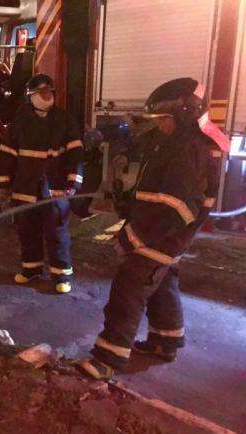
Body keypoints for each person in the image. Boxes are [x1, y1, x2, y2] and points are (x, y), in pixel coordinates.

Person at [78, 78, 227, 380]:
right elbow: (140, 145)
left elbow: (171, 207)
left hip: (164, 232)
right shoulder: (177, 140)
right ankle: (165, 340)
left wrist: (133, 237)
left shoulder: (188, 149)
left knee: (131, 283)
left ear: (182, 115)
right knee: (162, 278)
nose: (159, 124)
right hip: (168, 232)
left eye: (163, 119)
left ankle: (108, 357)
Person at [0, 73, 85, 294]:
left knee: (57, 234)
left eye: (50, 92)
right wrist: (3, 187)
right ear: (31, 96)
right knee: (27, 231)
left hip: (56, 190)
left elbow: (76, 156)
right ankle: (31, 269)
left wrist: (72, 185)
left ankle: (61, 275)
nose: (48, 96)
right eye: (43, 93)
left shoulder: (65, 120)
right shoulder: (19, 123)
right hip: (26, 190)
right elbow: (6, 156)